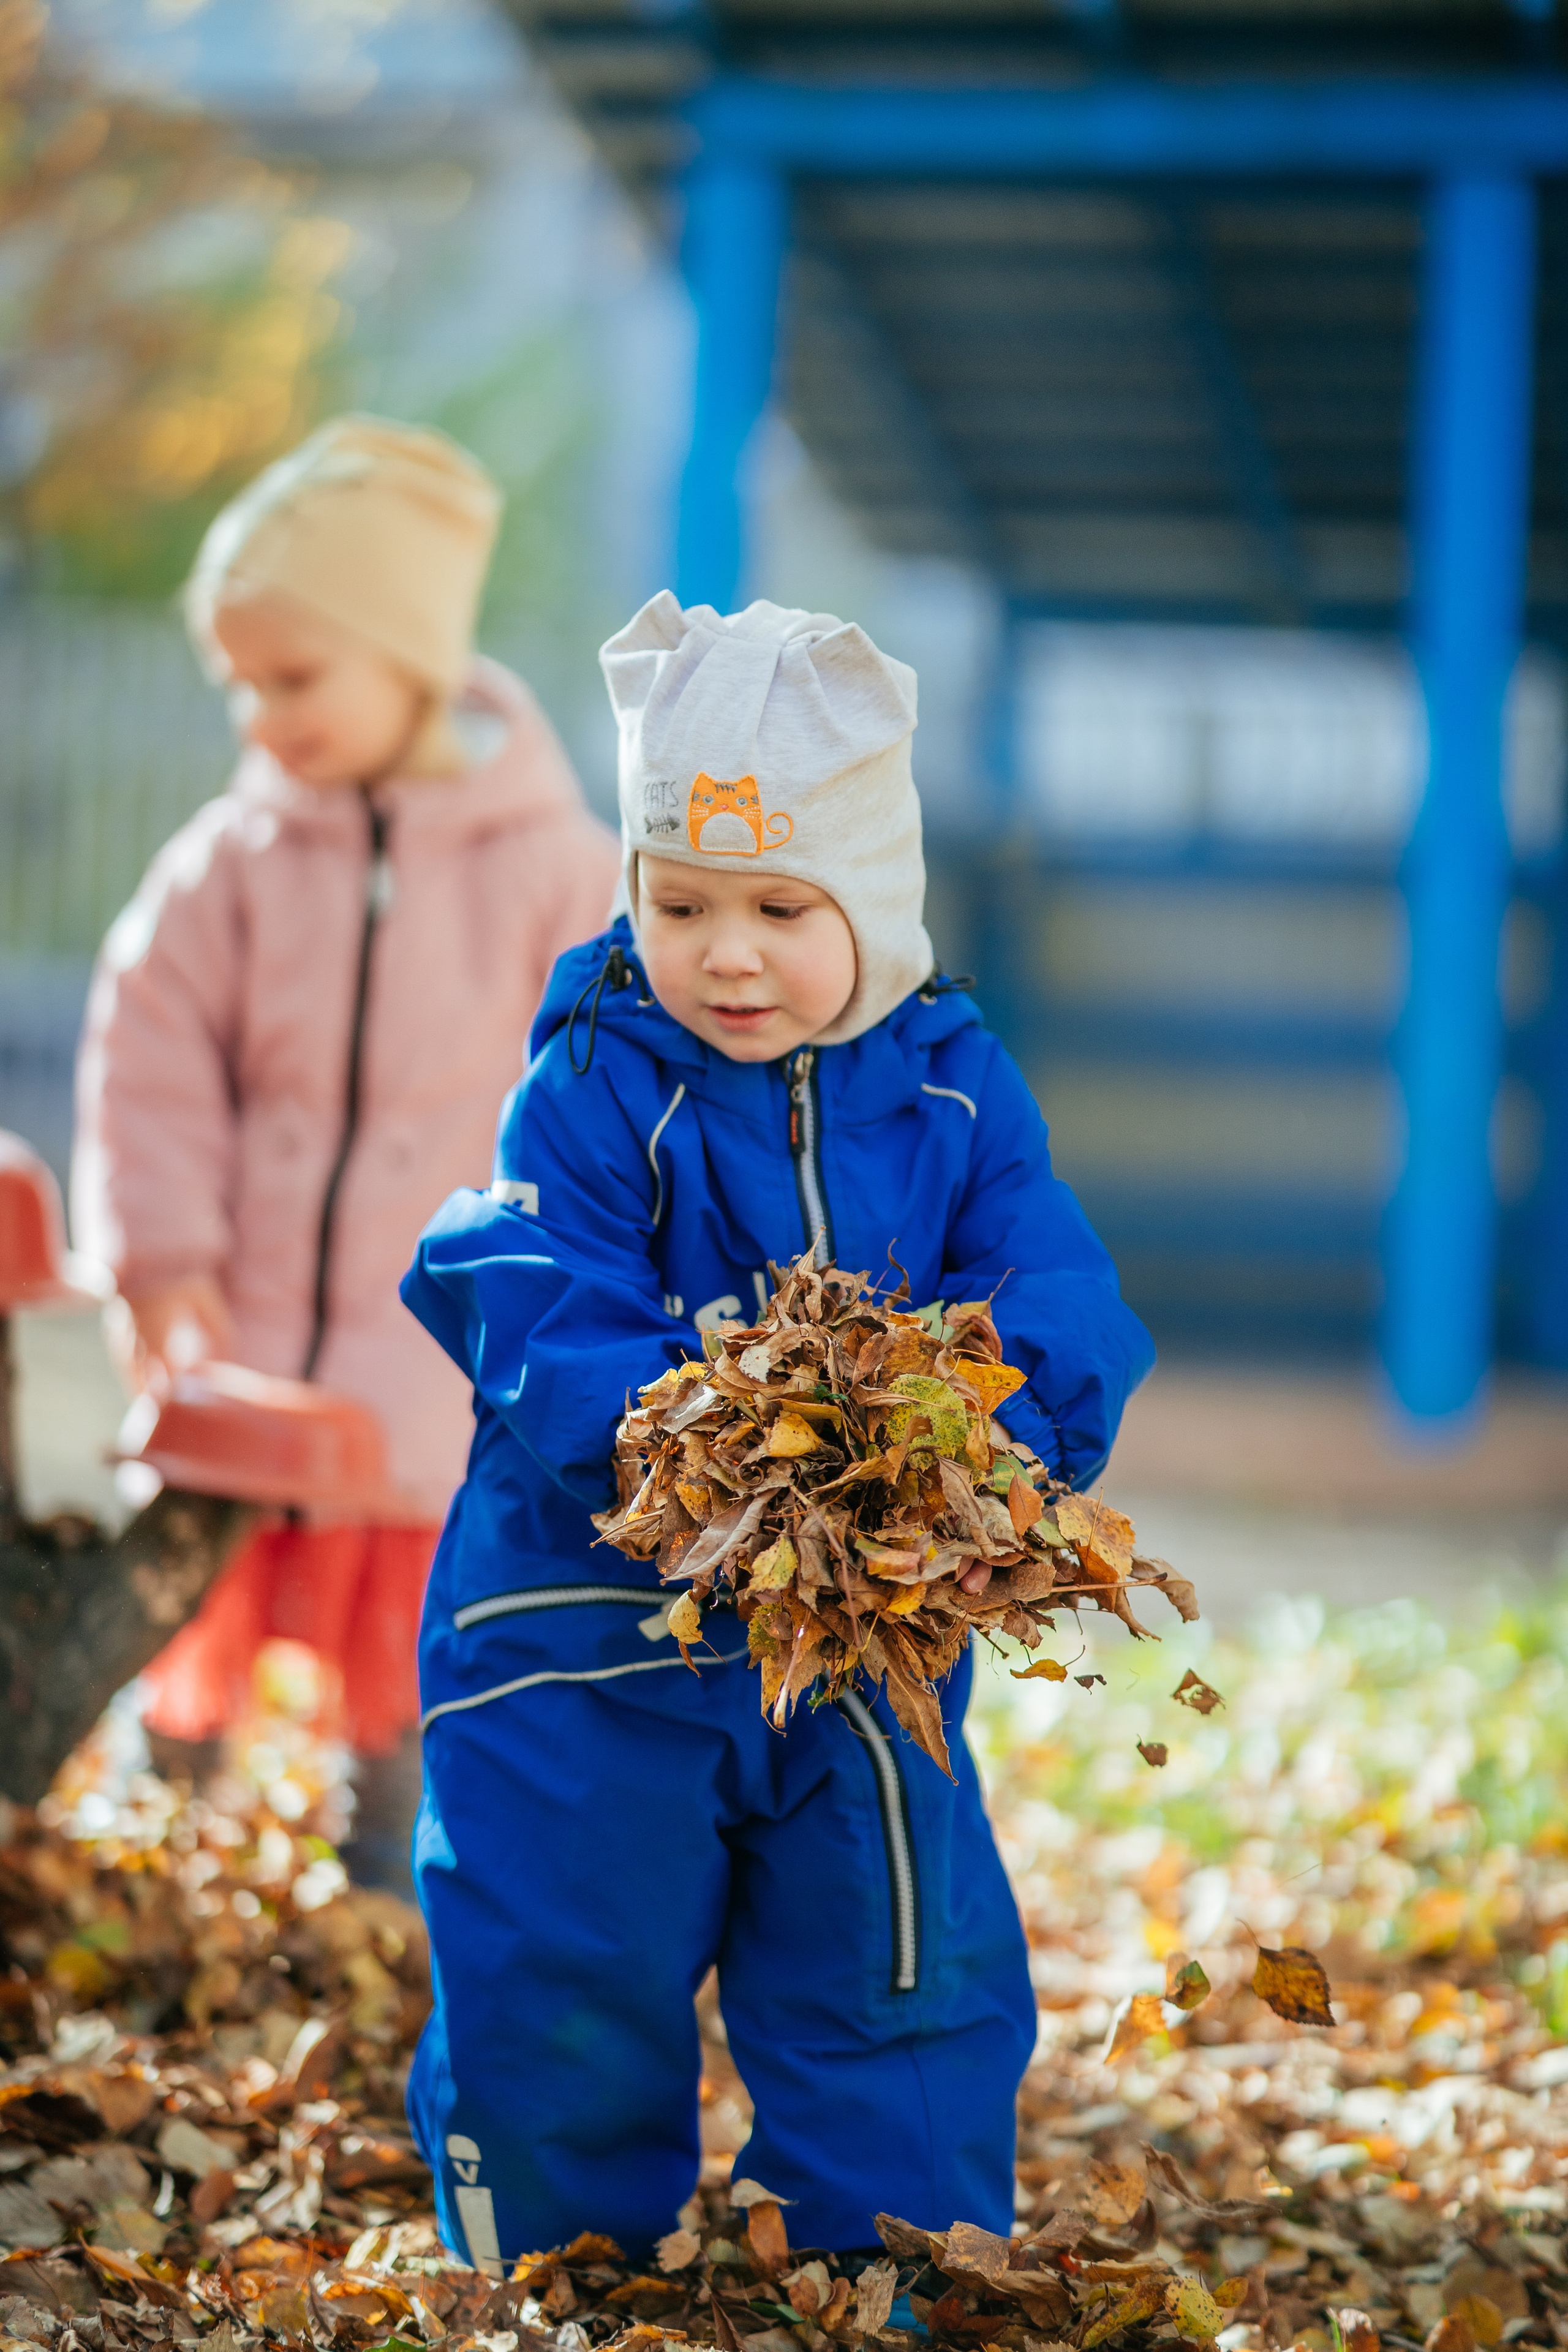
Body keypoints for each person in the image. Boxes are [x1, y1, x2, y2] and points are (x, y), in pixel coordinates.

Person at [399, 593, 1155, 2261]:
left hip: (858, 1629)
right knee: (560, 1948)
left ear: (873, 905)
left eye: (780, 905)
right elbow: (541, 1283)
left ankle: (884, 2255)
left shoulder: (955, 1085)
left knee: (893, 1943)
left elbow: (1052, 1282)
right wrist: (694, 1437)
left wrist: (963, 1433)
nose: (724, 951)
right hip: (587, 1622)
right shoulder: (595, 1073)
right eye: (680, 902)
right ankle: (551, 2253)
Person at [71, 416, 620, 1882]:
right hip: (241, 1325)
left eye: (293, 678)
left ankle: (388, 1857)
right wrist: (161, 1259)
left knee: (406, 1621)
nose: (260, 717)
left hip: (429, 1350)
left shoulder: (556, 872)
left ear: (413, 657)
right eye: (239, 684)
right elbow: (152, 1059)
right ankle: (158, 1823)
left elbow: (598, 1092)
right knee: (194, 1588)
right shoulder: (232, 866)